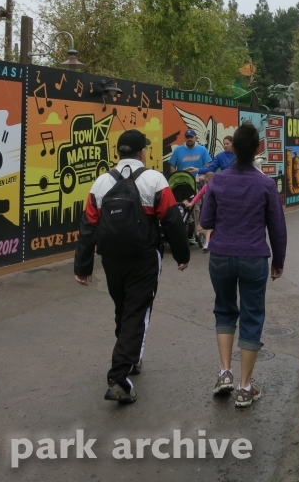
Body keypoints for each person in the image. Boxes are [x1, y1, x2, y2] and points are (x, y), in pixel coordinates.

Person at [74, 129, 190, 404]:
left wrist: (83, 267)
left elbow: (88, 225)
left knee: (123, 308)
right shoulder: (154, 179)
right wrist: (182, 255)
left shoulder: (101, 183)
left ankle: (130, 358)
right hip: (144, 257)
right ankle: (118, 378)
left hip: (111, 259)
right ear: (142, 152)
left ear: (118, 153)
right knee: (137, 313)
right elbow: (171, 220)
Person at [199, 123, 287, 408]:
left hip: (220, 256)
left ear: (233, 148)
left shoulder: (218, 181)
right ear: (258, 149)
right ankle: (245, 387)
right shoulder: (266, 184)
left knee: (224, 310)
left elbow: (207, 221)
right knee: (252, 316)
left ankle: (224, 372)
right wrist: (279, 261)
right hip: (254, 258)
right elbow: (277, 228)